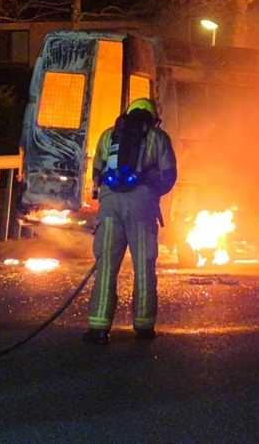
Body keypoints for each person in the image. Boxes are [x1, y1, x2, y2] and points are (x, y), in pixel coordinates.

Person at [83, 98, 177, 345]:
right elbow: (169, 175)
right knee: (144, 268)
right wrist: (150, 190)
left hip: (111, 206)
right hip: (141, 207)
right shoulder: (158, 138)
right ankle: (144, 328)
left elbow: (96, 172)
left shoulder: (108, 135)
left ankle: (98, 328)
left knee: (105, 267)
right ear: (151, 117)